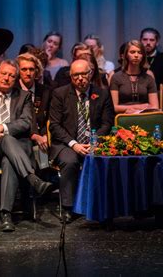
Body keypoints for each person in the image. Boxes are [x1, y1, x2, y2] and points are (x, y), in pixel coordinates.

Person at [0, 59, 53, 232]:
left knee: (8, 159)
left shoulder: (23, 96)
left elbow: (26, 122)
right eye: (4, 74)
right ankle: (32, 179)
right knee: (7, 140)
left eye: (11, 75)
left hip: (17, 148)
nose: (7, 78)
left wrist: (1, 129)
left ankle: (6, 215)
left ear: (15, 78)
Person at [49, 59, 115, 223]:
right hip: (67, 143)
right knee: (70, 162)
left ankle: (103, 205)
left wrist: (94, 140)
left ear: (90, 74)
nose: (80, 78)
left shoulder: (102, 94)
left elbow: (108, 123)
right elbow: (55, 126)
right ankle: (68, 208)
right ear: (71, 76)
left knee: (105, 161)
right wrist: (74, 144)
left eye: (83, 74)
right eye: (75, 75)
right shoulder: (60, 94)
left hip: (94, 141)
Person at [110, 40, 159, 114]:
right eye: (132, 52)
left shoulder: (148, 78)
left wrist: (139, 110)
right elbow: (114, 107)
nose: (136, 55)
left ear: (143, 56)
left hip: (144, 116)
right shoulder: (116, 77)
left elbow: (155, 106)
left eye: (139, 52)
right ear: (126, 55)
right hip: (123, 116)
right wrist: (140, 107)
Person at [16, 53, 51, 157]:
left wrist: (45, 135)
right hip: (21, 137)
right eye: (24, 69)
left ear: (36, 71)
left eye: (31, 69)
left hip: (42, 137)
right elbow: (13, 121)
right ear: (18, 71)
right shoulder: (13, 91)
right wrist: (33, 135)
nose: (28, 73)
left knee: (44, 157)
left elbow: (49, 117)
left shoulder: (45, 91)